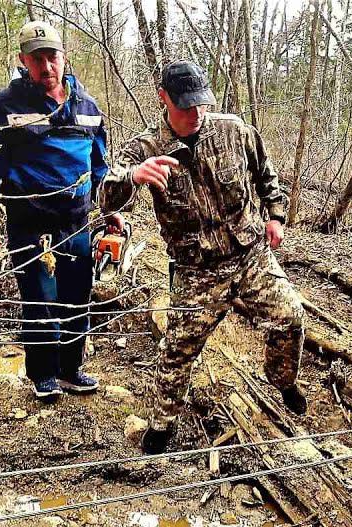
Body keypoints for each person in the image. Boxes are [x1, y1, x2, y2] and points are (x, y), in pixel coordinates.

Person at [100, 61, 306, 454]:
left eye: (201, 103)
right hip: (197, 270)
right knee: (178, 351)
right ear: (163, 98)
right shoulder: (145, 149)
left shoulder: (234, 130)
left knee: (290, 317)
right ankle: (163, 423)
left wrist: (276, 216)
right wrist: (133, 177)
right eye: (185, 106)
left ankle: (283, 381)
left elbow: (267, 176)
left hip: (249, 255)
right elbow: (105, 199)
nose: (195, 113)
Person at [0, 20, 122, 401]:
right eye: (37, 59)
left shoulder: (87, 108)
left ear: (64, 57)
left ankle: (70, 370)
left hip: (76, 222)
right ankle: (43, 375)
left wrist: (110, 208)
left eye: (52, 57)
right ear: (24, 61)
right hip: (30, 223)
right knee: (39, 300)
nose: (46, 66)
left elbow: (99, 166)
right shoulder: (5, 107)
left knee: (77, 296)